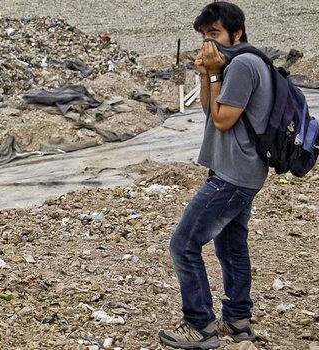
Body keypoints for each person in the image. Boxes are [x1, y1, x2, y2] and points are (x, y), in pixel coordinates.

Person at [158, 2, 274, 349]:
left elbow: (224, 121)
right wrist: (206, 73)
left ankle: (201, 327)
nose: (209, 42)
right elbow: (210, 109)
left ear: (236, 33)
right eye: (205, 36)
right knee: (231, 246)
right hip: (236, 170)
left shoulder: (244, 65)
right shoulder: (232, 63)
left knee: (183, 243)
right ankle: (238, 322)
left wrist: (213, 72)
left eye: (215, 34)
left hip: (234, 175)